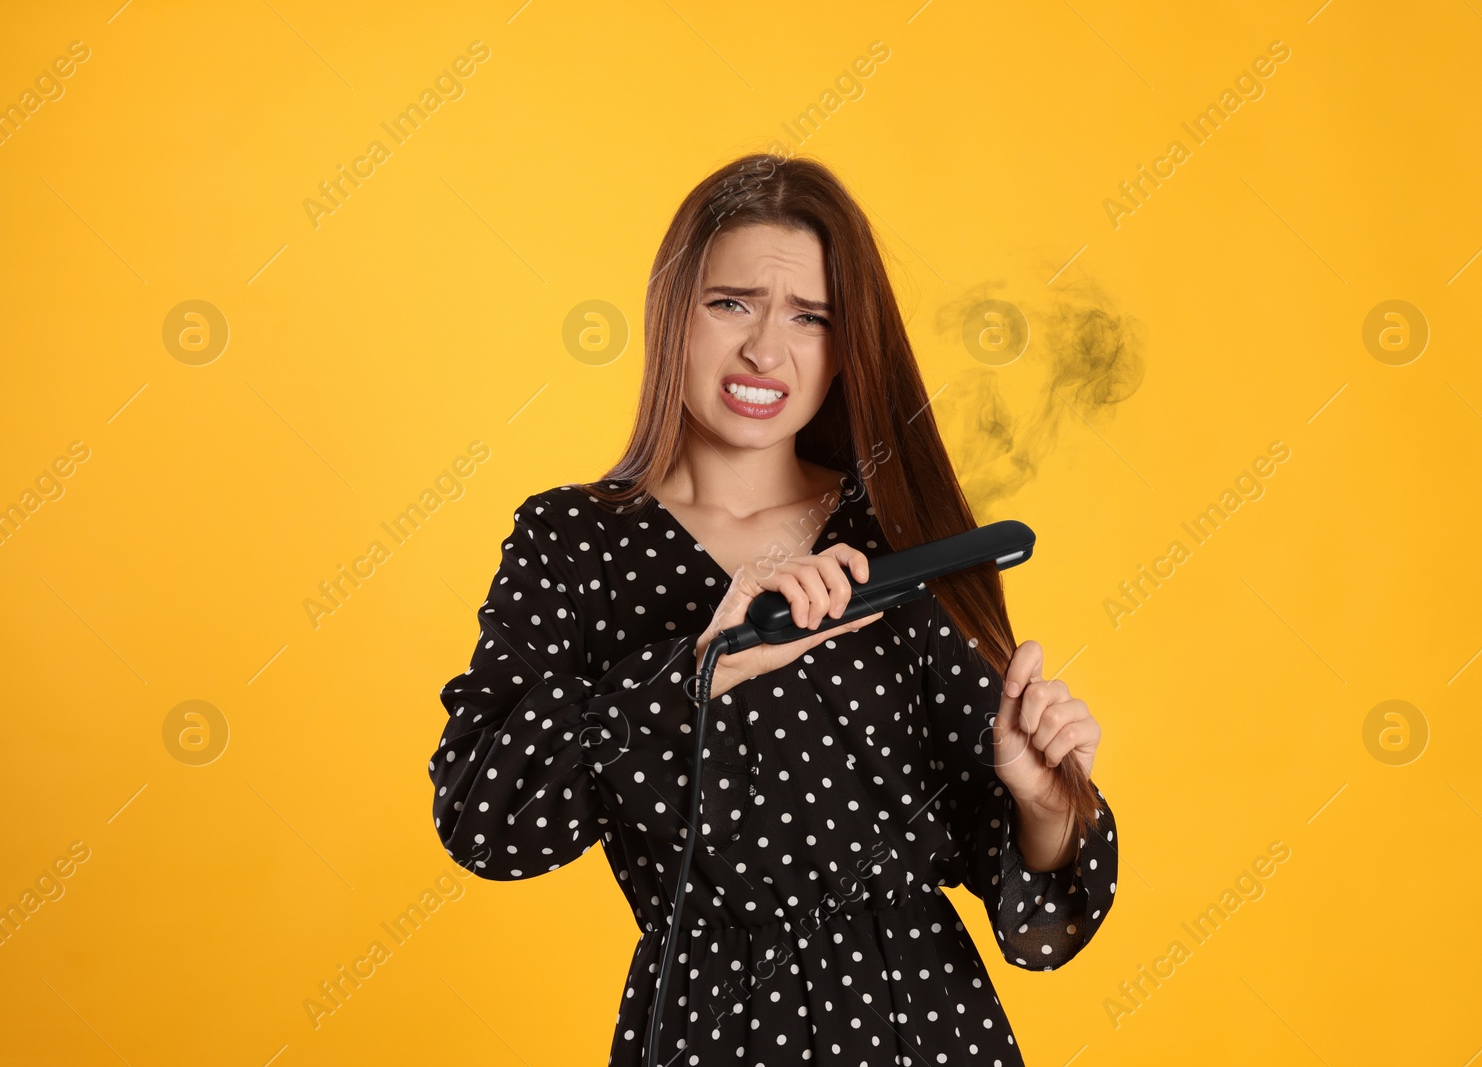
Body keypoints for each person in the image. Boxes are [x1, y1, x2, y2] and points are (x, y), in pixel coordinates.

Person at [428, 153, 1119, 1065]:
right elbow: (487, 821)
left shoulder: (895, 535)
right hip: (706, 1025)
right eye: (731, 303)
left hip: (922, 1025)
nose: (765, 349)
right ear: (672, 309)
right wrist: (699, 669)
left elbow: (1037, 921)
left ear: (846, 348)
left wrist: (1043, 799)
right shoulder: (573, 541)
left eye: (810, 317)